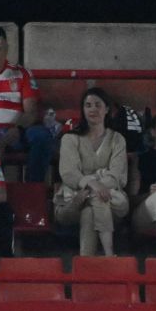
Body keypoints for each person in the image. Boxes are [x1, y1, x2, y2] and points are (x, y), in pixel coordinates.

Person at [54, 88, 129, 255]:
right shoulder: (70, 138)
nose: (92, 109)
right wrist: (94, 182)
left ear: (107, 109)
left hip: (111, 199)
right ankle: (108, 255)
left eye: (97, 105)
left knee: (94, 204)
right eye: (88, 105)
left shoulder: (117, 139)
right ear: (83, 109)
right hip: (74, 200)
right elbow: (68, 173)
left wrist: (91, 185)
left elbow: (117, 176)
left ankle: (86, 264)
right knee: (89, 210)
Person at [0, 26, 52, 182]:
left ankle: (32, 187)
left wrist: (17, 128)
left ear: (6, 49)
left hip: (16, 132)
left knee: (41, 135)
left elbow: (31, 111)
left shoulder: (22, 73)